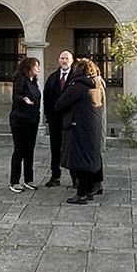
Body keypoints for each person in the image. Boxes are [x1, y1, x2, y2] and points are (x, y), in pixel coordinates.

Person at [56, 58, 105, 204]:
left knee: (80, 159)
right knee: (91, 157)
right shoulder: (96, 84)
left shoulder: (78, 85)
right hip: (92, 126)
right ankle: (93, 186)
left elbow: (60, 104)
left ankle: (82, 194)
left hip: (78, 126)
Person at [8, 56, 41, 192]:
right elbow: (16, 96)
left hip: (32, 119)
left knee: (29, 150)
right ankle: (14, 181)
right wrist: (24, 99)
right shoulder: (21, 79)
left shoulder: (34, 81)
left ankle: (29, 179)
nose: (38, 69)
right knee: (20, 150)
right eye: (36, 66)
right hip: (20, 119)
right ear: (29, 67)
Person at [43, 50, 74, 187]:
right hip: (55, 121)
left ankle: (75, 178)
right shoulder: (53, 77)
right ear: (58, 60)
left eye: (67, 58)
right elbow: (47, 98)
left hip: (70, 120)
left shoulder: (75, 77)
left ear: (72, 60)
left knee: (72, 149)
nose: (64, 60)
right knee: (55, 149)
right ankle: (55, 176)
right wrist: (49, 116)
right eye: (62, 58)